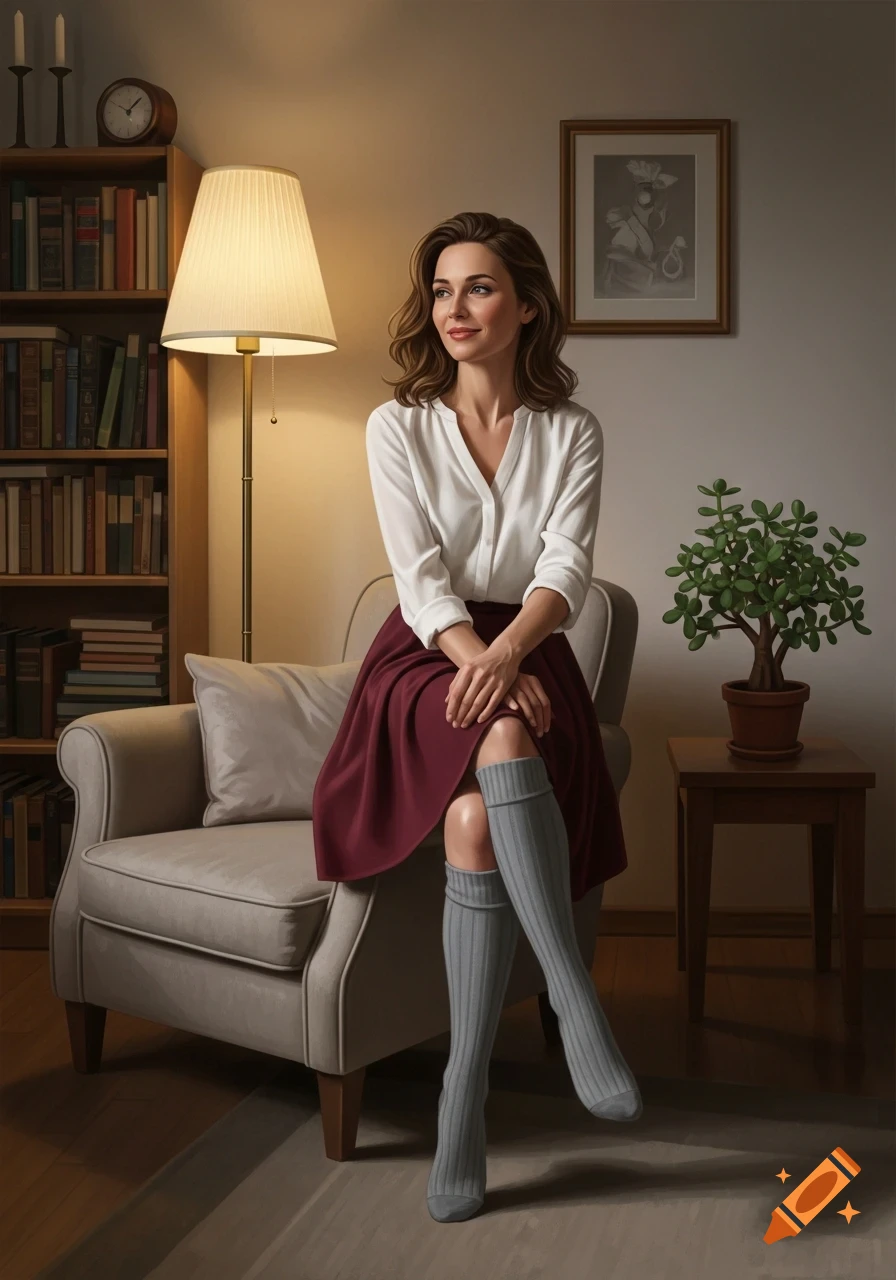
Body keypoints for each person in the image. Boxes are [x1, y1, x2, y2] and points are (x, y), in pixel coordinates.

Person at [312, 211, 642, 1225]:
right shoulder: (396, 426)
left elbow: (563, 571)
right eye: (444, 290)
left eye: (481, 288)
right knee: (501, 731)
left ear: (527, 305)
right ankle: (571, 993)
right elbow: (416, 577)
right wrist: (482, 660)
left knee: (473, 824)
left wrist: (512, 652)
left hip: (526, 643)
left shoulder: (569, 429)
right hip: (422, 656)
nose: (456, 308)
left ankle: (463, 1091)